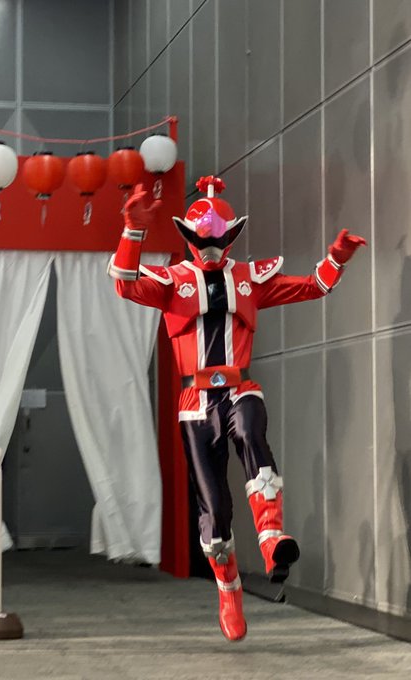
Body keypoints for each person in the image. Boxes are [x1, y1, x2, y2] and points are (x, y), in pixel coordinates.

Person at [108, 175, 366, 641]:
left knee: (251, 432)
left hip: (239, 387)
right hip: (195, 401)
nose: (210, 247)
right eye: (201, 238)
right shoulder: (173, 281)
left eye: (220, 238)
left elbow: (312, 286)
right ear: (188, 237)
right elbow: (125, 284)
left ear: (232, 236)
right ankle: (228, 589)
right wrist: (133, 231)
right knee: (215, 511)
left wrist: (337, 258)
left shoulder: (249, 278)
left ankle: (271, 538)